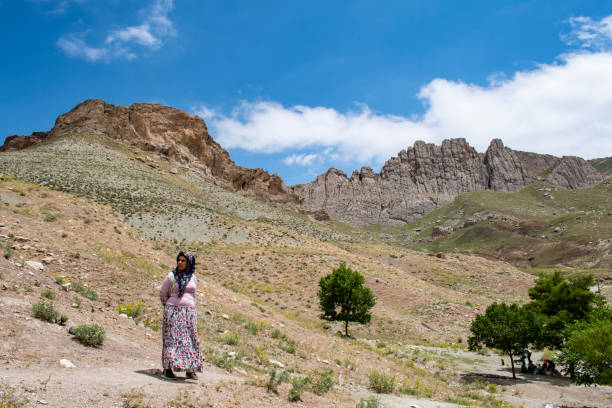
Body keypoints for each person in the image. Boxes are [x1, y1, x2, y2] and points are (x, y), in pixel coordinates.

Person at [159, 251, 203, 379]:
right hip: (173, 311)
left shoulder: (192, 277)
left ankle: (190, 369)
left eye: (183, 261)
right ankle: (167, 369)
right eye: (179, 260)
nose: (180, 263)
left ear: (189, 263)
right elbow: (163, 292)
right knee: (171, 340)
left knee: (190, 340)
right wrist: (168, 305)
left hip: (189, 313)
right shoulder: (171, 276)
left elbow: (193, 294)